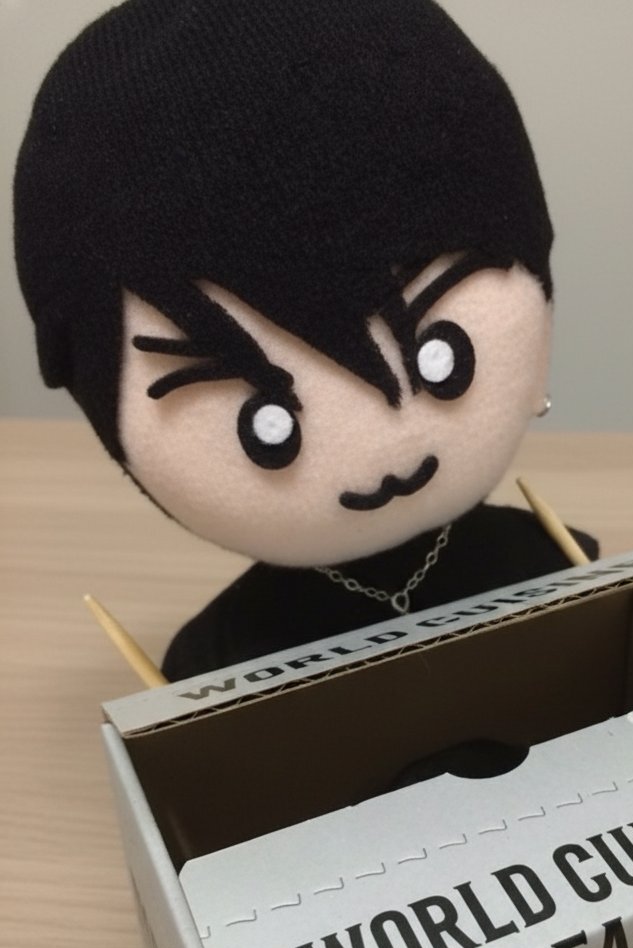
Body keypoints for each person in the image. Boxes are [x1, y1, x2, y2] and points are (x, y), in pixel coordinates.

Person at [15, 0, 597, 680]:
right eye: (269, 427)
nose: (382, 453)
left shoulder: (546, 563)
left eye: (439, 359)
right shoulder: (230, 657)